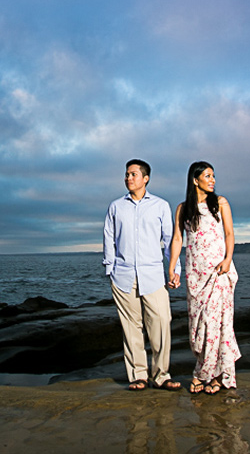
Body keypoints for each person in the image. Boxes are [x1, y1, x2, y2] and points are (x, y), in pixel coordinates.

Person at [103, 159, 182, 391]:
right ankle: (138, 375)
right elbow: (109, 237)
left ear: (145, 178)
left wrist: (175, 269)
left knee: (160, 323)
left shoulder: (160, 206)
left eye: (133, 174)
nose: (128, 178)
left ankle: (161, 375)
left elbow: (170, 240)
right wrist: (111, 269)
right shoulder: (116, 206)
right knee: (131, 327)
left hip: (154, 276)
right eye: (126, 174)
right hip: (123, 275)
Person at [168, 161, 241, 395]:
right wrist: (172, 269)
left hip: (218, 271)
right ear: (194, 179)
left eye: (213, 176)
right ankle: (207, 369)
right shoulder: (183, 208)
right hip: (195, 273)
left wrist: (228, 259)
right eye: (207, 176)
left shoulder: (220, 203)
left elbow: (229, 233)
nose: (212, 180)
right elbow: (178, 239)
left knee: (216, 323)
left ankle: (211, 375)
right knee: (198, 325)